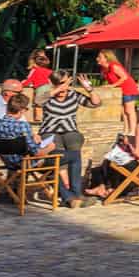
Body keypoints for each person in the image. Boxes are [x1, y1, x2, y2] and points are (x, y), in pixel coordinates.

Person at [36, 71, 98, 207]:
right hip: (50, 132)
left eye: (66, 83)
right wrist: (57, 89)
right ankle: (69, 197)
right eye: (60, 83)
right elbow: (37, 102)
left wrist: (90, 89)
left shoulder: (73, 95)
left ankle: (76, 194)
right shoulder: (47, 96)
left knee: (75, 147)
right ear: (53, 84)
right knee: (59, 159)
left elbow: (95, 103)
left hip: (70, 131)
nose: (64, 87)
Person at [0, 92, 51, 174]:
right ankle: (62, 186)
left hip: (7, 162)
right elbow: (36, 152)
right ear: (22, 110)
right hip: (25, 163)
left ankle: (14, 185)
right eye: (26, 109)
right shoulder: (23, 126)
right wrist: (50, 147)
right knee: (66, 157)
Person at [97, 50, 139, 137]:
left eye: (100, 57)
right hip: (119, 91)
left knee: (129, 111)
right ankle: (126, 129)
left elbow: (124, 77)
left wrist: (112, 85)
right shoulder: (104, 68)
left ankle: (133, 131)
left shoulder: (114, 66)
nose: (97, 58)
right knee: (122, 112)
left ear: (106, 58)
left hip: (128, 89)